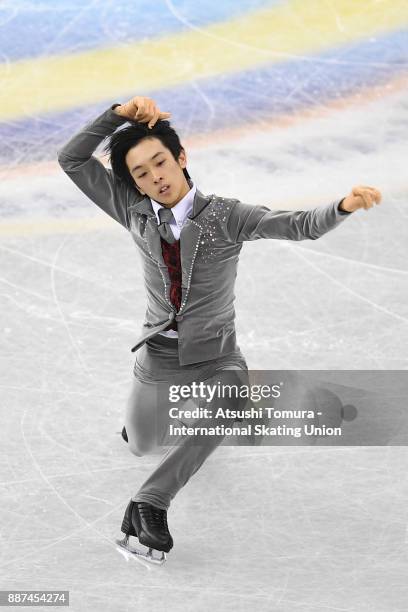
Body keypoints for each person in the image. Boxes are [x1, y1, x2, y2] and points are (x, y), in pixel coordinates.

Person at [57, 95, 382, 564]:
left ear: (181, 158)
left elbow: (297, 225)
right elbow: (71, 159)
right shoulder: (131, 208)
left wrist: (344, 205)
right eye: (142, 173)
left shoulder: (226, 216)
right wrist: (117, 117)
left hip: (216, 356)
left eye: (161, 163)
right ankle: (149, 423)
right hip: (157, 356)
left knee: (232, 398)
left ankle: (149, 503)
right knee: (142, 444)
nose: (156, 178)